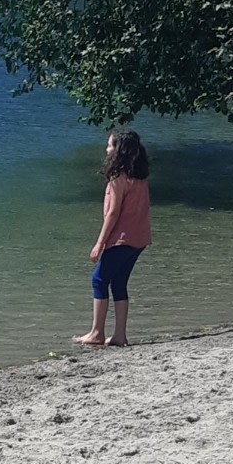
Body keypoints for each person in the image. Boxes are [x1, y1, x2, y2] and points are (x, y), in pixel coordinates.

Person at [75, 130, 152, 348]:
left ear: (118, 150)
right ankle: (119, 335)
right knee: (119, 283)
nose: (107, 149)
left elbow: (113, 213)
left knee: (99, 280)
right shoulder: (139, 177)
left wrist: (100, 242)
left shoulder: (118, 177)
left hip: (122, 238)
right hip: (139, 239)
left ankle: (97, 332)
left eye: (110, 145)